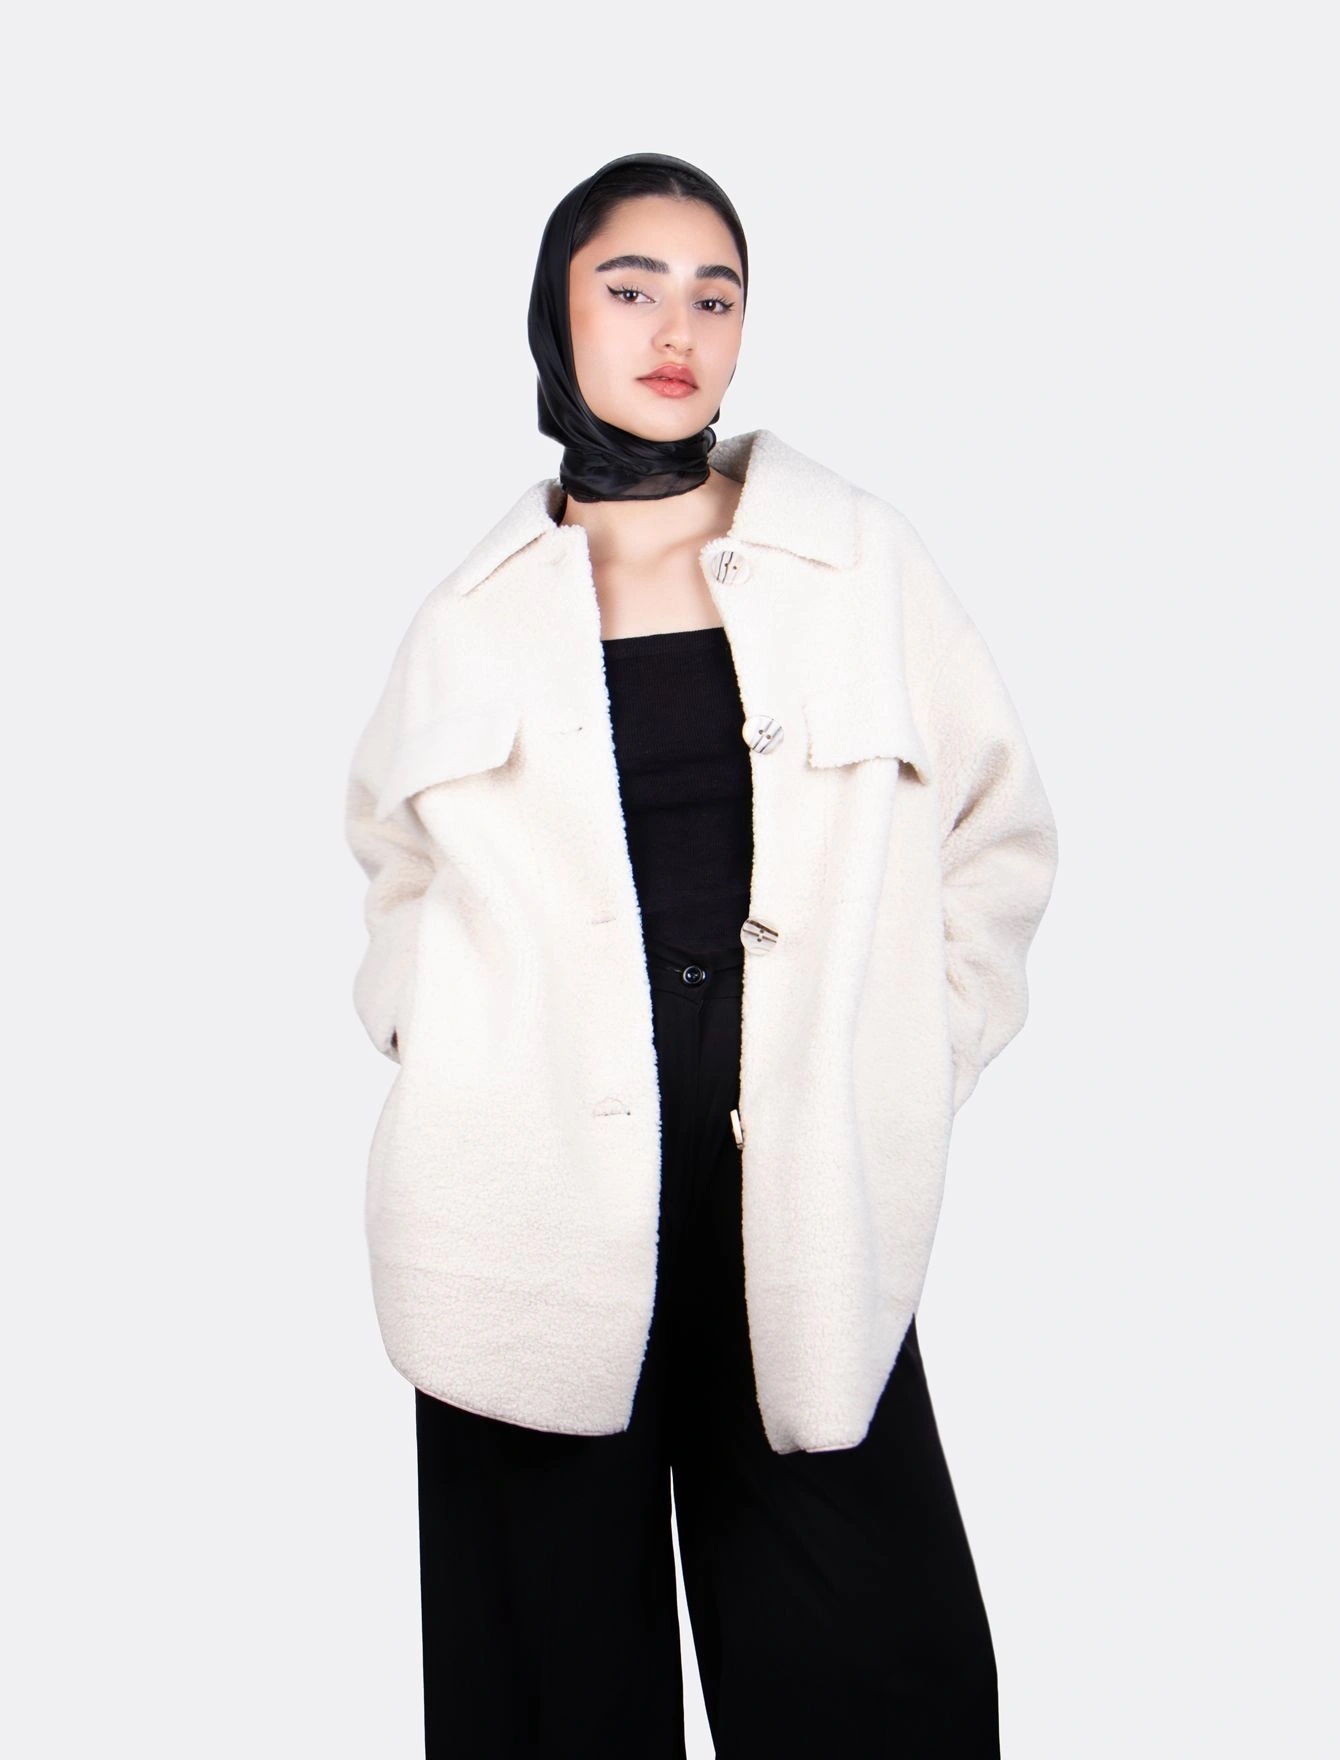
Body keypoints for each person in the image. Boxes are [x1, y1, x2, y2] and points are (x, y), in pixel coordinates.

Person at [344, 150, 1059, 1757]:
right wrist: (447, 1045)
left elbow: (998, 838)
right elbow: (393, 862)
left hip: (796, 1204)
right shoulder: (474, 611)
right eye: (631, 287)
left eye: (714, 296)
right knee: (546, 1698)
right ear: (558, 314)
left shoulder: (851, 558)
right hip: (520, 1216)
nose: (676, 330)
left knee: (882, 1670)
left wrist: (906, 1060)